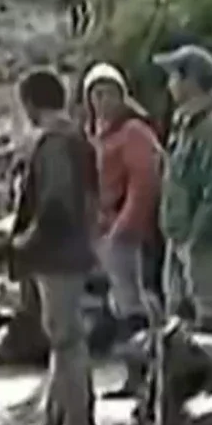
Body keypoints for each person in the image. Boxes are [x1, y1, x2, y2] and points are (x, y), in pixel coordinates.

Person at [11, 69, 101, 425]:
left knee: (67, 339)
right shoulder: (75, 138)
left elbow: (57, 203)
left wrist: (25, 240)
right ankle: (57, 416)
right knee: (60, 337)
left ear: (31, 103)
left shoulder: (55, 143)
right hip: (71, 250)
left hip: (58, 254)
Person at [155, 44, 212, 331]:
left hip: (205, 245)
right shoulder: (186, 122)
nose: (169, 85)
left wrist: (196, 240)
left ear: (191, 81)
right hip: (178, 237)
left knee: (210, 321)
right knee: (176, 322)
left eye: (174, 76)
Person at [82, 62, 162, 340]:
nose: (102, 100)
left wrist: (126, 226)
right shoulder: (94, 135)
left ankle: (141, 347)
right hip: (101, 228)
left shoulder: (133, 132)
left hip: (125, 230)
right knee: (114, 295)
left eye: (108, 93)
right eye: (96, 94)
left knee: (131, 297)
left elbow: (145, 182)